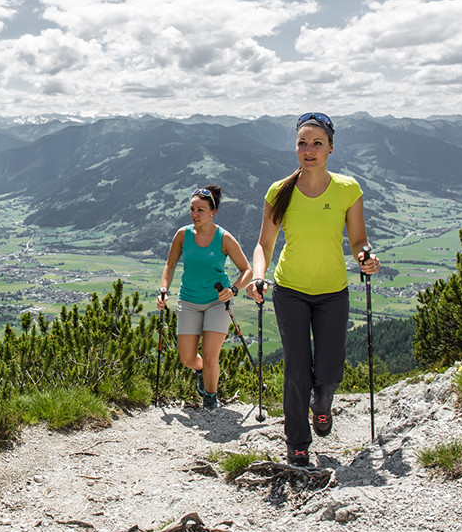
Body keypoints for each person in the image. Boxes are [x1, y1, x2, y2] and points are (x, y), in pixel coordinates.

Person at [246, 113, 380, 466]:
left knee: (330, 371)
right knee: (297, 370)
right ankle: (297, 442)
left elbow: (358, 241)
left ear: (331, 148)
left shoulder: (348, 190)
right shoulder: (280, 191)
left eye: (317, 143)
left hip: (333, 291)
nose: (309, 150)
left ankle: (322, 405)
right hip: (290, 290)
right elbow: (264, 245)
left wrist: (367, 257)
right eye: (302, 143)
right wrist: (257, 276)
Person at [157, 184, 252, 410]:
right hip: (188, 300)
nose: (194, 214)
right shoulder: (182, 235)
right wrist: (164, 289)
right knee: (188, 359)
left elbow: (246, 270)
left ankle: (210, 398)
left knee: (211, 357)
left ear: (213, 212)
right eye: (192, 209)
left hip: (217, 302)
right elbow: (170, 265)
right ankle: (200, 372)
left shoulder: (224, 238)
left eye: (200, 210)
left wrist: (235, 289)